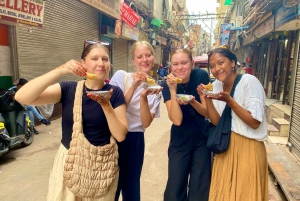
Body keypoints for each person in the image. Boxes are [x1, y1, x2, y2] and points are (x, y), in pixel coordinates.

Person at [15, 40, 128, 201]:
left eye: (105, 59)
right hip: (69, 162)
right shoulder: (69, 89)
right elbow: (22, 97)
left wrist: (106, 105)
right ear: (83, 63)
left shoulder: (114, 93)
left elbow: (121, 135)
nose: (101, 63)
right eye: (94, 58)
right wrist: (60, 70)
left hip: (102, 166)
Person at [198, 46, 268, 201]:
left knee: (246, 193)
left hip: (248, 148)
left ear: (232, 62)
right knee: (224, 194)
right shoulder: (215, 85)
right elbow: (216, 121)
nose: (217, 69)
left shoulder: (249, 82)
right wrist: (206, 98)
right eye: (212, 66)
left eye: (221, 63)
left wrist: (230, 101)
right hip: (225, 147)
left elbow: (255, 122)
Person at [109, 41, 162, 201]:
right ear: (133, 61)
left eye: (148, 55)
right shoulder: (120, 76)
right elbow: (113, 109)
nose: (144, 59)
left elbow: (145, 123)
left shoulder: (156, 89)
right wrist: (134, 86)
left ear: (153, 58)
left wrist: (143, 96)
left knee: (131, 188)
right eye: (139, 56)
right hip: (115, 136)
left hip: (135, 139)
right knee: (111, 186)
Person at [162, 48, 211, 201]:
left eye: (184, 63)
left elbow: (207, 112)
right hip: (179, 140)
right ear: (171, 67)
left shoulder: (201, 76)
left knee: (199, 189)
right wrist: (172, 89)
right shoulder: (167, 85)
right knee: (174, 190)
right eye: (175, 64)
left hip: (201, 139)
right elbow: (176, 120)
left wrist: (193, 101)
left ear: (192, 63)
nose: (180, 67)